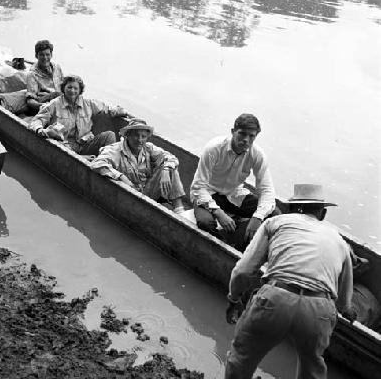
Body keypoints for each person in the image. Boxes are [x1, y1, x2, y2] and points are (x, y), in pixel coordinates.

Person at [224, 183, 356, 379]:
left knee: (241, 358)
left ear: (292, 208)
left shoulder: (275, 223)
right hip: (319, 309)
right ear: (323, 214)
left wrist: (233, 299)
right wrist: (347, 311)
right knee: (312, 369)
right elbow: (345, 303)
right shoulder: (339, 241)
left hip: (277, 298)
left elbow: (243, 271)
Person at [190, 113, 276, 250]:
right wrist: (218, 213)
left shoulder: (257, 155)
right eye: (242, 134)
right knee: (205, 223)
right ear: (233, 132)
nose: (246, 140)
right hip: (207, 194)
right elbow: (198, 187)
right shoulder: (214, 148)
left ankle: (248, 250)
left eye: (251, 136)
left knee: (274, 215)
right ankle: (225, 248)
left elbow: (267, 191)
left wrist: (258, 217)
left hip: (233, 194)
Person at [91, 119, 186, 213]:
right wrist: (121, 177)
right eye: (136, 136)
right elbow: (97, 163)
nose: (140, 140)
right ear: (127, 135)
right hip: (129, 194)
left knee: (170, 167)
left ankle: (179, 209)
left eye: (143, 136)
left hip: (146, 192)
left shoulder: (148, 148)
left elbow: (171, 158)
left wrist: (165, 170)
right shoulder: (116, 149)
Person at [30, 74, 126, 156]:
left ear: (80, 91)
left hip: (86, 143)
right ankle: (84, 159)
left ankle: (106, 162)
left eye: (76, 88)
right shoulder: (55, 104)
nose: (72, 91)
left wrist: (121, 111)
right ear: (64, 88)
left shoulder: (88, 103)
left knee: (109, 135)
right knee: (58, 143)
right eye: (69, 87)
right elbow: (37, 120)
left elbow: (107, 109)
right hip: (65, 145)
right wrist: (40, 130)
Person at [26, 40, 64, 113]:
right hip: (44, 104)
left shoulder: (57, 67)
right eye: (42, 55)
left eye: (47, 54)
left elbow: (64, 87)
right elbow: (30, 101)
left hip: (59, 101)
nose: (45, 58)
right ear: (36, 56)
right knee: (56, 94)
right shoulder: (32, 74)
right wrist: (45, 106)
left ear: (51, 55)